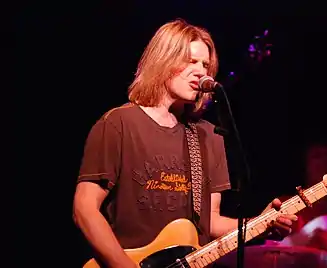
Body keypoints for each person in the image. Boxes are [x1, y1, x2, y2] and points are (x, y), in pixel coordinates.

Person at [72, 19, 297, 268]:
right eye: (191, 61)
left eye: (205, 64)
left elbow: (209, 222)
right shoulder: (119, 124)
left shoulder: (209, 136)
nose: (202, 71)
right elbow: (84, 208)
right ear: (163, 59)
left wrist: (260, 225)